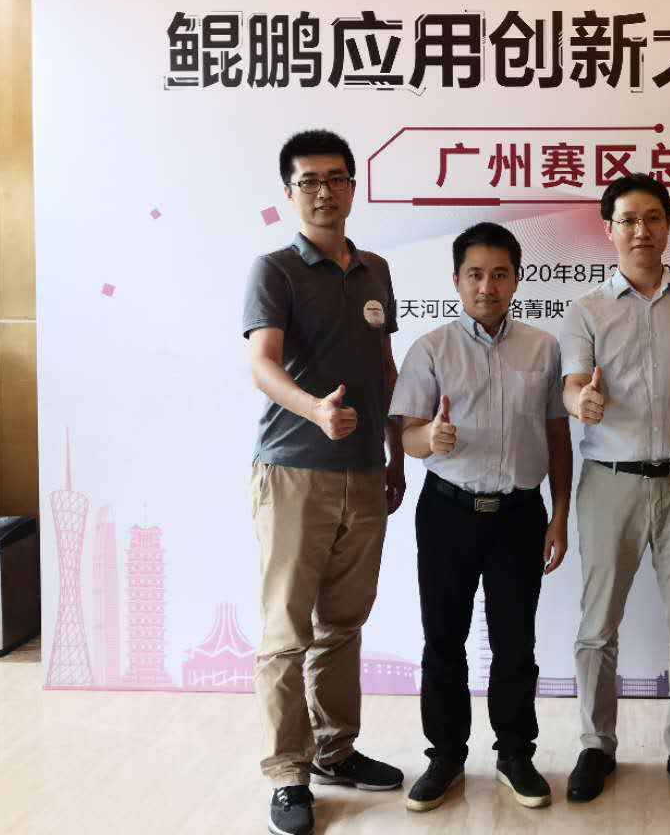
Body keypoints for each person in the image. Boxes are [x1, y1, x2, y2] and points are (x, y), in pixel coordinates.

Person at [243, 129, 407, 835]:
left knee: (343, 624)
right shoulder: (275, 269)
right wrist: (314, 409)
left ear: (353, 187)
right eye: (308, 180)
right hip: (293, 471)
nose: (324, 191)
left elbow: (386, 369)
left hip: (364, 473)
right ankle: (288, 774)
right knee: (287, 630)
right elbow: (262, 362)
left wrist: (397, 454)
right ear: (289, 193)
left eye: (336, 178)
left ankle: (335, 752)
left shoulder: (375, 270)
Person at [560, 173, 670, 808]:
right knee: (597, 626)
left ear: (668, 225)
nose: (641, 230)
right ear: (608, 229)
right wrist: (581, 402)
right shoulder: (586, 309)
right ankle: (596, 744)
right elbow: (572, 385)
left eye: (653, 218)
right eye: (628, 219)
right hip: (611, 483)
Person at [389, 222, 572, 812]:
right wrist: (430, 439)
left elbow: (557, 435)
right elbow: (407, 435)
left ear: (516, 279)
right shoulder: (430, 349)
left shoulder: (543, 348)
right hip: (448, 512)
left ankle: (515, 754)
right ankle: (445, 756)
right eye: (475, 274)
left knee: (516, 642)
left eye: (498, 274)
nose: (486, 286)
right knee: (444, 638)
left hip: (519, 515)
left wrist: (560, 514)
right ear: (456, 281)